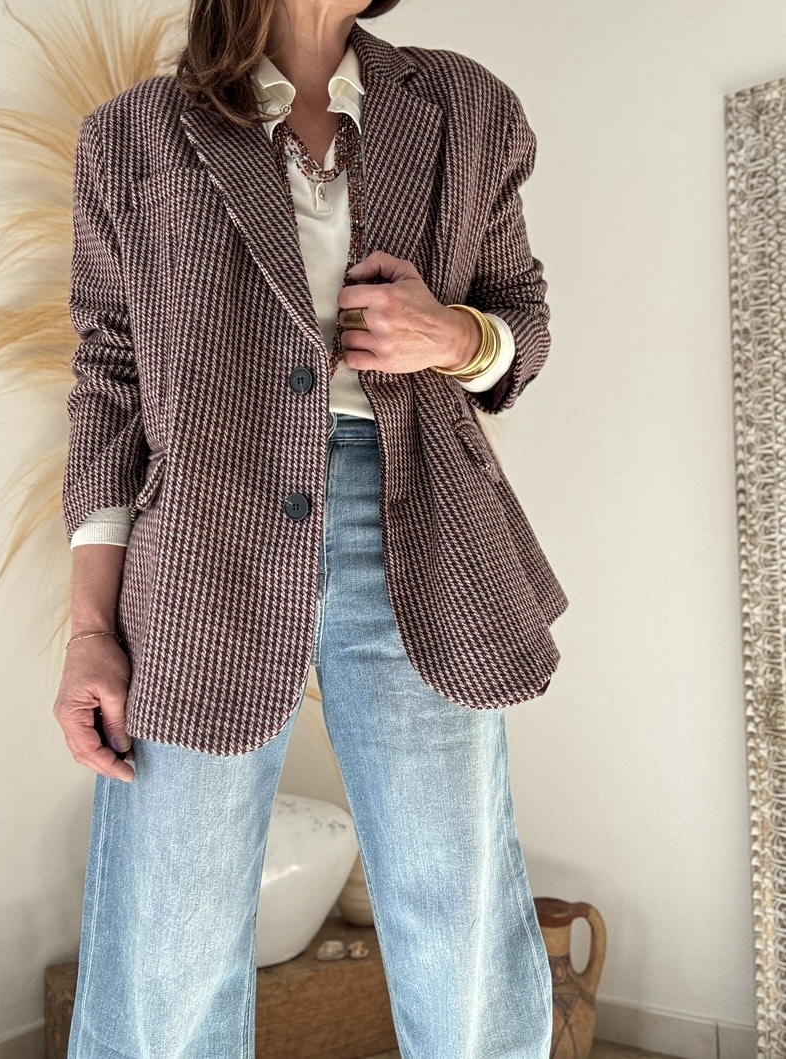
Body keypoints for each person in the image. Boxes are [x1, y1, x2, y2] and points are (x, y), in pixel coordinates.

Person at [53, 0, 568, 1055]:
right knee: (170, 930)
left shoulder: (464, 106)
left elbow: (520, 315)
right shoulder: (132, 135)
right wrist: (90, 630)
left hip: (419, 525)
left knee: (457, 907)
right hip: (203, 542)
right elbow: (109, 380)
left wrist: (454, 334)